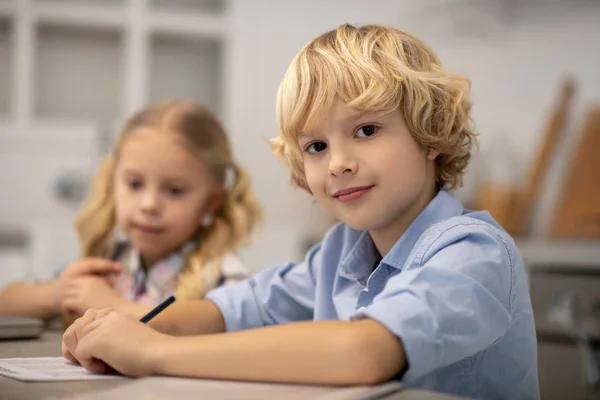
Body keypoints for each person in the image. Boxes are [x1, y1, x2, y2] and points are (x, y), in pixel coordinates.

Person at [62, 24, 539, 400]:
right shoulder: (339, 254)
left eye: (367, 130)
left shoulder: (475, 254)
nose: (338, 163)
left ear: (430, 131)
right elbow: (232, 310)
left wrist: (155, 352)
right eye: (315, 145)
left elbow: (365, 352)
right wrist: (116, 329)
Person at [0, 100, 261, 322]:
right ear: (113, 181)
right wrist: (59, 293)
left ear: (211, 201)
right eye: (134, 184)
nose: (148, 205)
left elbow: (232, 340)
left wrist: (115, 306)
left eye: (175, 190)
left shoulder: (224, 275)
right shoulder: (112, 258)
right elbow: (6, 303)